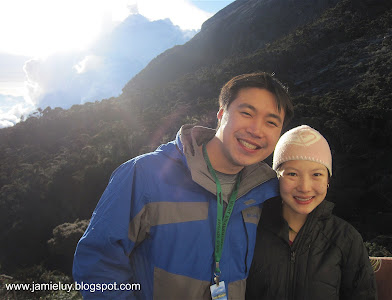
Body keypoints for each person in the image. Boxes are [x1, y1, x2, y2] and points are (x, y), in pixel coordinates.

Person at [72, 72, 294, 299]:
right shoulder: (144, 174)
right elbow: (97, 266)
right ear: (221, 114)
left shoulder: (266, 194)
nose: (256, 130)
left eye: (271, 122)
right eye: (246, 113)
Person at [246, 125, 377, 300]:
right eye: (292, 174)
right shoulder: (250, 230)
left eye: (316, 175)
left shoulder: (346, 239)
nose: (305, 187)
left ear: (328, 180)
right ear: (277, 178)